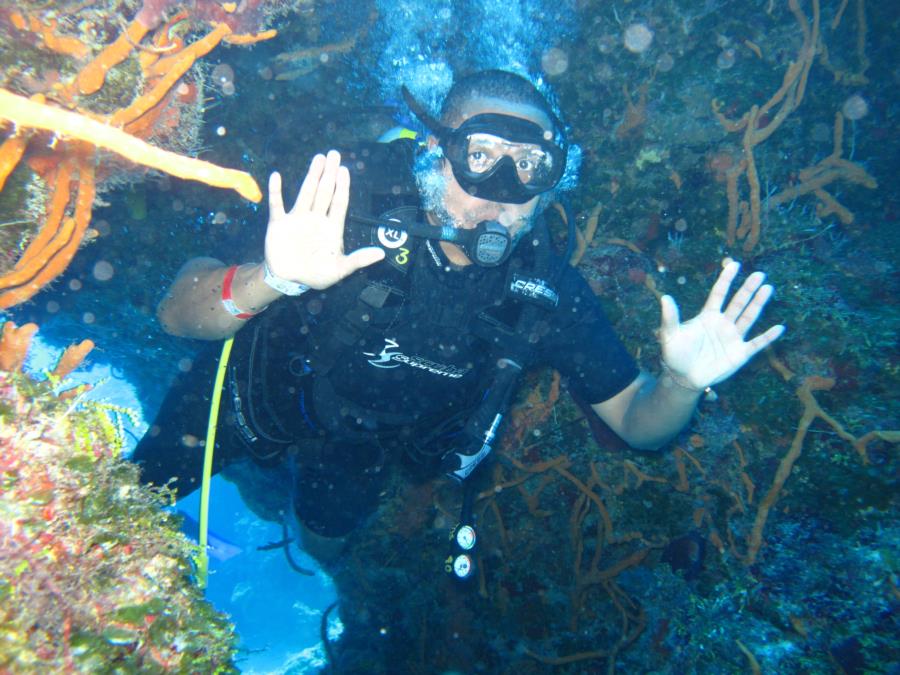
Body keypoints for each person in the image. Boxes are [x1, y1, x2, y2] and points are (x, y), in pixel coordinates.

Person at [133, 70, 784, 557]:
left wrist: (680, 383)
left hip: (365, 443)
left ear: (550, 184)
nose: (499, 195)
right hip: (253, 399)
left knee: (326, 536)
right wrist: (271, 277)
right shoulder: (344, 204)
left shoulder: (545, 289)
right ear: (432, 155)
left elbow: (640, 423)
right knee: (130, 502)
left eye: (530, 166)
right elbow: (174, 309)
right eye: (478, 157)